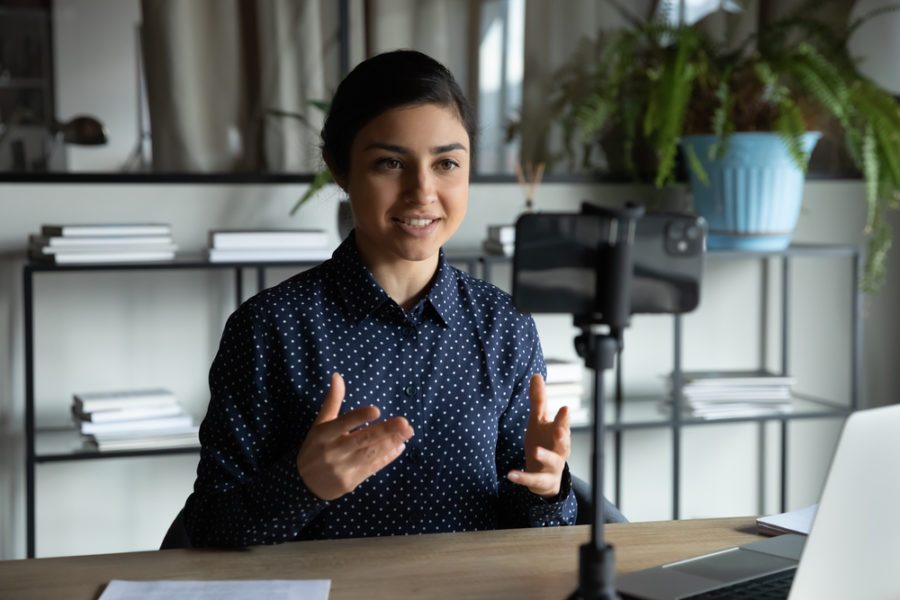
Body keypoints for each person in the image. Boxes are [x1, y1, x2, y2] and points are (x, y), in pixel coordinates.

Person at [181, 50, 577, 547]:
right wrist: (303, 486)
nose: (422, 192)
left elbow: (538, 537)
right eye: (390, 163)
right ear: (339, 169)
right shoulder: (269, 328)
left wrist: (546, 492)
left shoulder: (505, 326)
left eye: (447, 163)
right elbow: (206, 530)